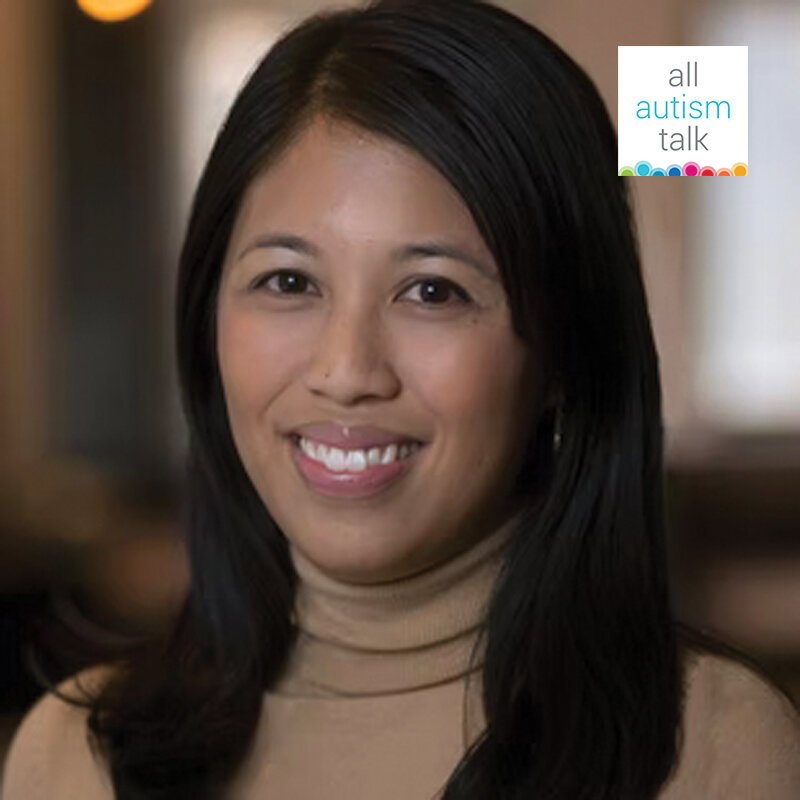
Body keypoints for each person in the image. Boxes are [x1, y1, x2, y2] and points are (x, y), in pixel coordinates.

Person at [3, 1, 799, 798]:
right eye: (289, 281)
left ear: (564, 352)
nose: (347, 370)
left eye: (432, 291)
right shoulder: (73, 758)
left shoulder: (713, 753)